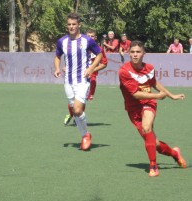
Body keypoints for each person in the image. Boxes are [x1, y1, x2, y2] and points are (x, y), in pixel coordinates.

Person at [119, 40, 186, 177]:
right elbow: (136, 94)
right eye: (132, 52)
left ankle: (153, 166)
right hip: (133, 108)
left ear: (144, 53)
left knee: (146, 127)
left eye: (138, 52)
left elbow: (154, 82)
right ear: (128, 53)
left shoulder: (149, 68)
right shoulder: (124, 71)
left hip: (149, 102)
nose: (135, 55)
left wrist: (170, 95)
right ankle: (174, 153)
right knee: (153, 143)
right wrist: (157, 95)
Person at [54, 13, 102, 151]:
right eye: (69, 24)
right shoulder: (62, 41)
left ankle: (86, 135)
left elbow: (99, 54)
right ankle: (84, 135)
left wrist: (91, 68)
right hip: (68, 81)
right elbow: (57, 56)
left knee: (78, 109)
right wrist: (57, 68)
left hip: (83, 80)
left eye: (74, 24)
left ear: (79, 25)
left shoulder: (87, 40)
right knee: (75, 112)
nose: (71, 27)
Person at [64, 29, 108, 126]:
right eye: (88, 36)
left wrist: (92, 69)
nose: (90, 38)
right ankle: (72, 114)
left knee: (81, 100)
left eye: (92, 36)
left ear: (95, 38)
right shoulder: (79, 46)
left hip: (90, 79)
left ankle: (77, 118)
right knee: (73, 100)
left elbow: (104, 64)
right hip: (76, 76)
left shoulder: (99, 49)